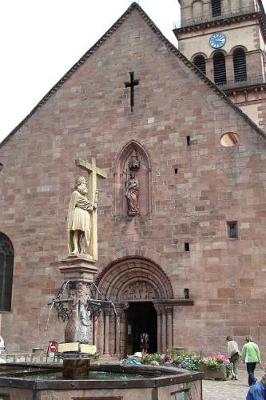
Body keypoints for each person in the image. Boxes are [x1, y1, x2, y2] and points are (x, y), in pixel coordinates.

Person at [67, 176, 96, 256]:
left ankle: (83, 250)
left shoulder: (85, 197)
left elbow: (90, 207)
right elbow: (74, 205)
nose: (85, 186)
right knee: (76, 231)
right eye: (84, 185)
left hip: (85, 215)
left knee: (84, 233)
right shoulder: (75, 193)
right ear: (79, 185)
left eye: (85, 185)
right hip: (77, 214)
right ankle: (76, 249)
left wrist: (94, 202)